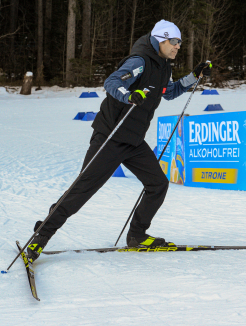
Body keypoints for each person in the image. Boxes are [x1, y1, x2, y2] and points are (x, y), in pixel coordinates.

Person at [26, 20, 212, 262]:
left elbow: (168, 92)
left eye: (180, 42)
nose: (178, 46)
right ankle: (41, 235)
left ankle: (136, 235)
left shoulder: (163, 66)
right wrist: (129, 95)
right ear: (160, 40)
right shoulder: (139, 61)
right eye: (174, 42)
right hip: (111, 136)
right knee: (82, 189)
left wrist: (193, 76)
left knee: (158, 185)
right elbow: (112, 83)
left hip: (133, 140)